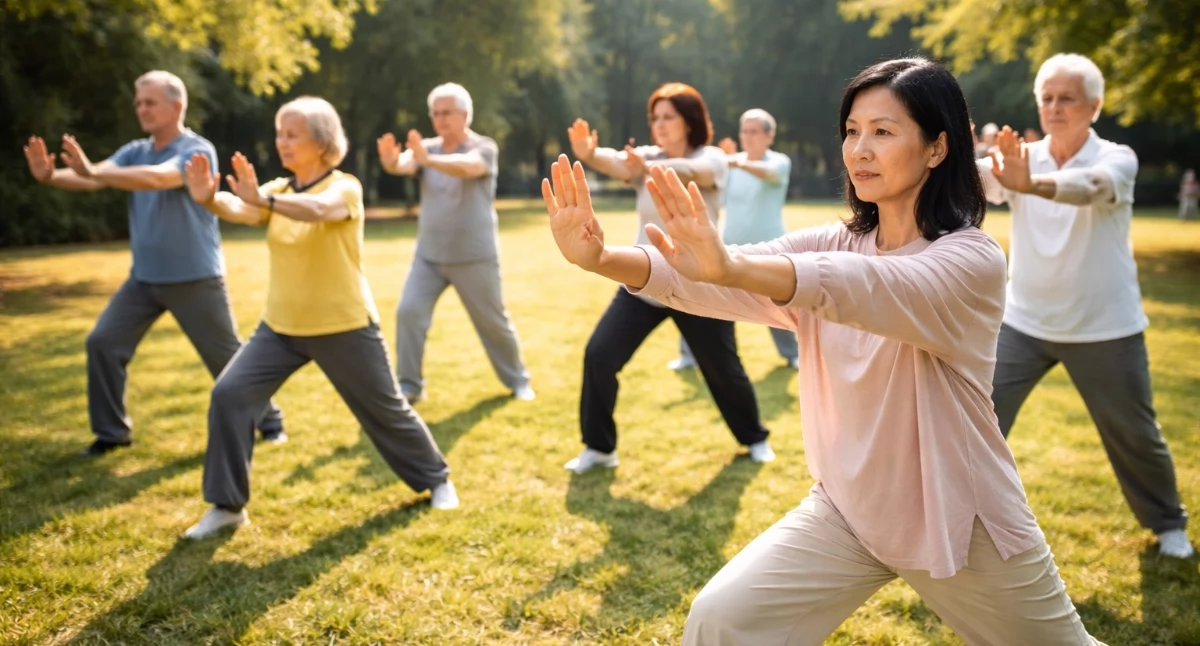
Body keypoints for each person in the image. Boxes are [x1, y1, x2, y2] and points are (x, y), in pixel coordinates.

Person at [543, 58, 1107, 645]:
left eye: (883, 132)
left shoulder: (972, 260)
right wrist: (603, 258)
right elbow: (710, 278)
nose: (860, 149)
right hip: (849, 511)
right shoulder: (833, 241)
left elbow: (860, 288)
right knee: (723, 619)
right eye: (852, 131)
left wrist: (735, 266)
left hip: (958, 518)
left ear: (938, 148)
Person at [180, 96, 457, 539]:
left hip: (344, 326)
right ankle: (227, 505)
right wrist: (210, 198)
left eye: (293, 134)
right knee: (229, 395)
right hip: (280, 328)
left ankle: (437, 478)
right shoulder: (278, 191)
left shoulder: (344, 187)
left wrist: (264, 202)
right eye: (279, 134)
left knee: (386, 410)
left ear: (322, 141)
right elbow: (242, 207)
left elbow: (319, 209)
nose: (282, 143)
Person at [981, 53, 1193, 559]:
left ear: (1094, 106)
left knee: (1136, 435)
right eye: (1047, 98)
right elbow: (965, 182)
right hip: (1024, 321)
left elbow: (1092, 189)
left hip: (1105, 328)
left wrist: (1031, 184)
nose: (1054, 107)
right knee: (976, 419)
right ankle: (961, 517)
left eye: (1067, 98)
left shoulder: (1117, 158)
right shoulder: (1019, 159)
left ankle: (1169, 525)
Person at [22, 70, 284, 456]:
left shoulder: (197, 150)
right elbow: (96, 179)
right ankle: (112, 433)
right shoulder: (134, 150)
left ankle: (271, 421)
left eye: (150, 102)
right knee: (103, 343)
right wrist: (50, 177)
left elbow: (160, 179)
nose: (141, 109)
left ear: (177, 106)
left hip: (195, 278)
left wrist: (95, 171)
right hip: (144, 279)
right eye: (138, 102)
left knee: (226, 357)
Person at [563, 82, 774, 472]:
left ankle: (754, 437)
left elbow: (698, 171)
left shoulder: (711, 158)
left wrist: (649, 167)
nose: (658, 125)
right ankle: (599, 447)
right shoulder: (645, 159)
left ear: (689, 120)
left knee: (724, 370)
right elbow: (616, 161)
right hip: (646, 279)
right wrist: (589, 153)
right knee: (599, 355)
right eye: (654, 118)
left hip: (701, 284)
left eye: (668, 117)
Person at [377, 83, 533, 404]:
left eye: (446, 112)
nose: (439, 119)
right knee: (408, 312)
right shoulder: (427, 149)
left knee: (493, 323)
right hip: (429, 257)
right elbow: (405, 164)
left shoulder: (484, 147)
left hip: (475, 257)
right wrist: (391, 162)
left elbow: (469, 167)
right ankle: (410, 385)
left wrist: (428, 161)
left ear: (465, 114)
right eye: (435, 113)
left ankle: (518, 380)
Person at [667, 109, 799, 371]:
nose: (747, 137)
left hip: (771, 250)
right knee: (703, 296)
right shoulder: (729, 165)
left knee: (777, 304)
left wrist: (735, 162)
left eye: (754, 131)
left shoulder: (778, 162)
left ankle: (792, 354)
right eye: (744, 131)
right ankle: (689, 354)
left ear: (768, 136)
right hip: (730, 248)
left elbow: (769, 173)